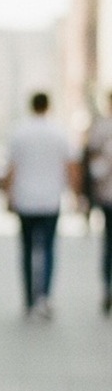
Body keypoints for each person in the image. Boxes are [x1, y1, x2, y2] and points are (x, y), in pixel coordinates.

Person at [5, 92, 78, 318]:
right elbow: (71, 166)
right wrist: (75, 193)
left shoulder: (19, 132)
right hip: (50, 199)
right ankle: (44, 295)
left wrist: (9, 194)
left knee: (26, 249)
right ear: (48, 107)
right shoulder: (59, 133)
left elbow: (12, 168)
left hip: (25, 199)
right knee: (47, 248)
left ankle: (28, 299)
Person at [86, 90, 112, 315]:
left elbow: (91, 159)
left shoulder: (102, 126)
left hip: (107, 194)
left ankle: (107, 286)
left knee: (109, 242)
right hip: (107, 194)